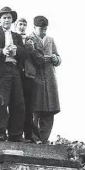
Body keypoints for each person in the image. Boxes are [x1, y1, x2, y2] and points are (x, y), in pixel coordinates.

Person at [0, 6, 28, 142]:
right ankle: (0, 133)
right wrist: (2, 51)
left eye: (9, 18)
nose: (7, 20)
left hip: (14, 71)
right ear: (0, 20)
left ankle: (15, 134)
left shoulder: (16, 36)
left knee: (18, 103)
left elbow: (25, 53)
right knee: (1, 103)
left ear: (12, 20)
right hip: (0, 72)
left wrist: (17, 51)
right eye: (4, 18)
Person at [26, 16, 61, 144]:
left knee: (49, 110)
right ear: (34, 28)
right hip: (36, 77)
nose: (43, 32)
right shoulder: (29, 39)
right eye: (41, 29)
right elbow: (34, 57)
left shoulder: (50, 40)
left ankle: (44, 138)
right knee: (35, 109)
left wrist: (56, 59)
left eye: (45, 29)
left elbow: (58, 57)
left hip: (50, 78)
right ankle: (35, 138)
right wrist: (47, 58)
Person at [15, 17, 44, 142]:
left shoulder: (31, 40)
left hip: (28, 76)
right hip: (15, 75)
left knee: (29, 107)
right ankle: (16, 134)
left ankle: (30, 135)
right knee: (17, 106)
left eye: (24, 24)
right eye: (20, 24)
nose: (22, 27)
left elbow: (40, 59)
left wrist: (32, 50)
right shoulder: (12, 38)